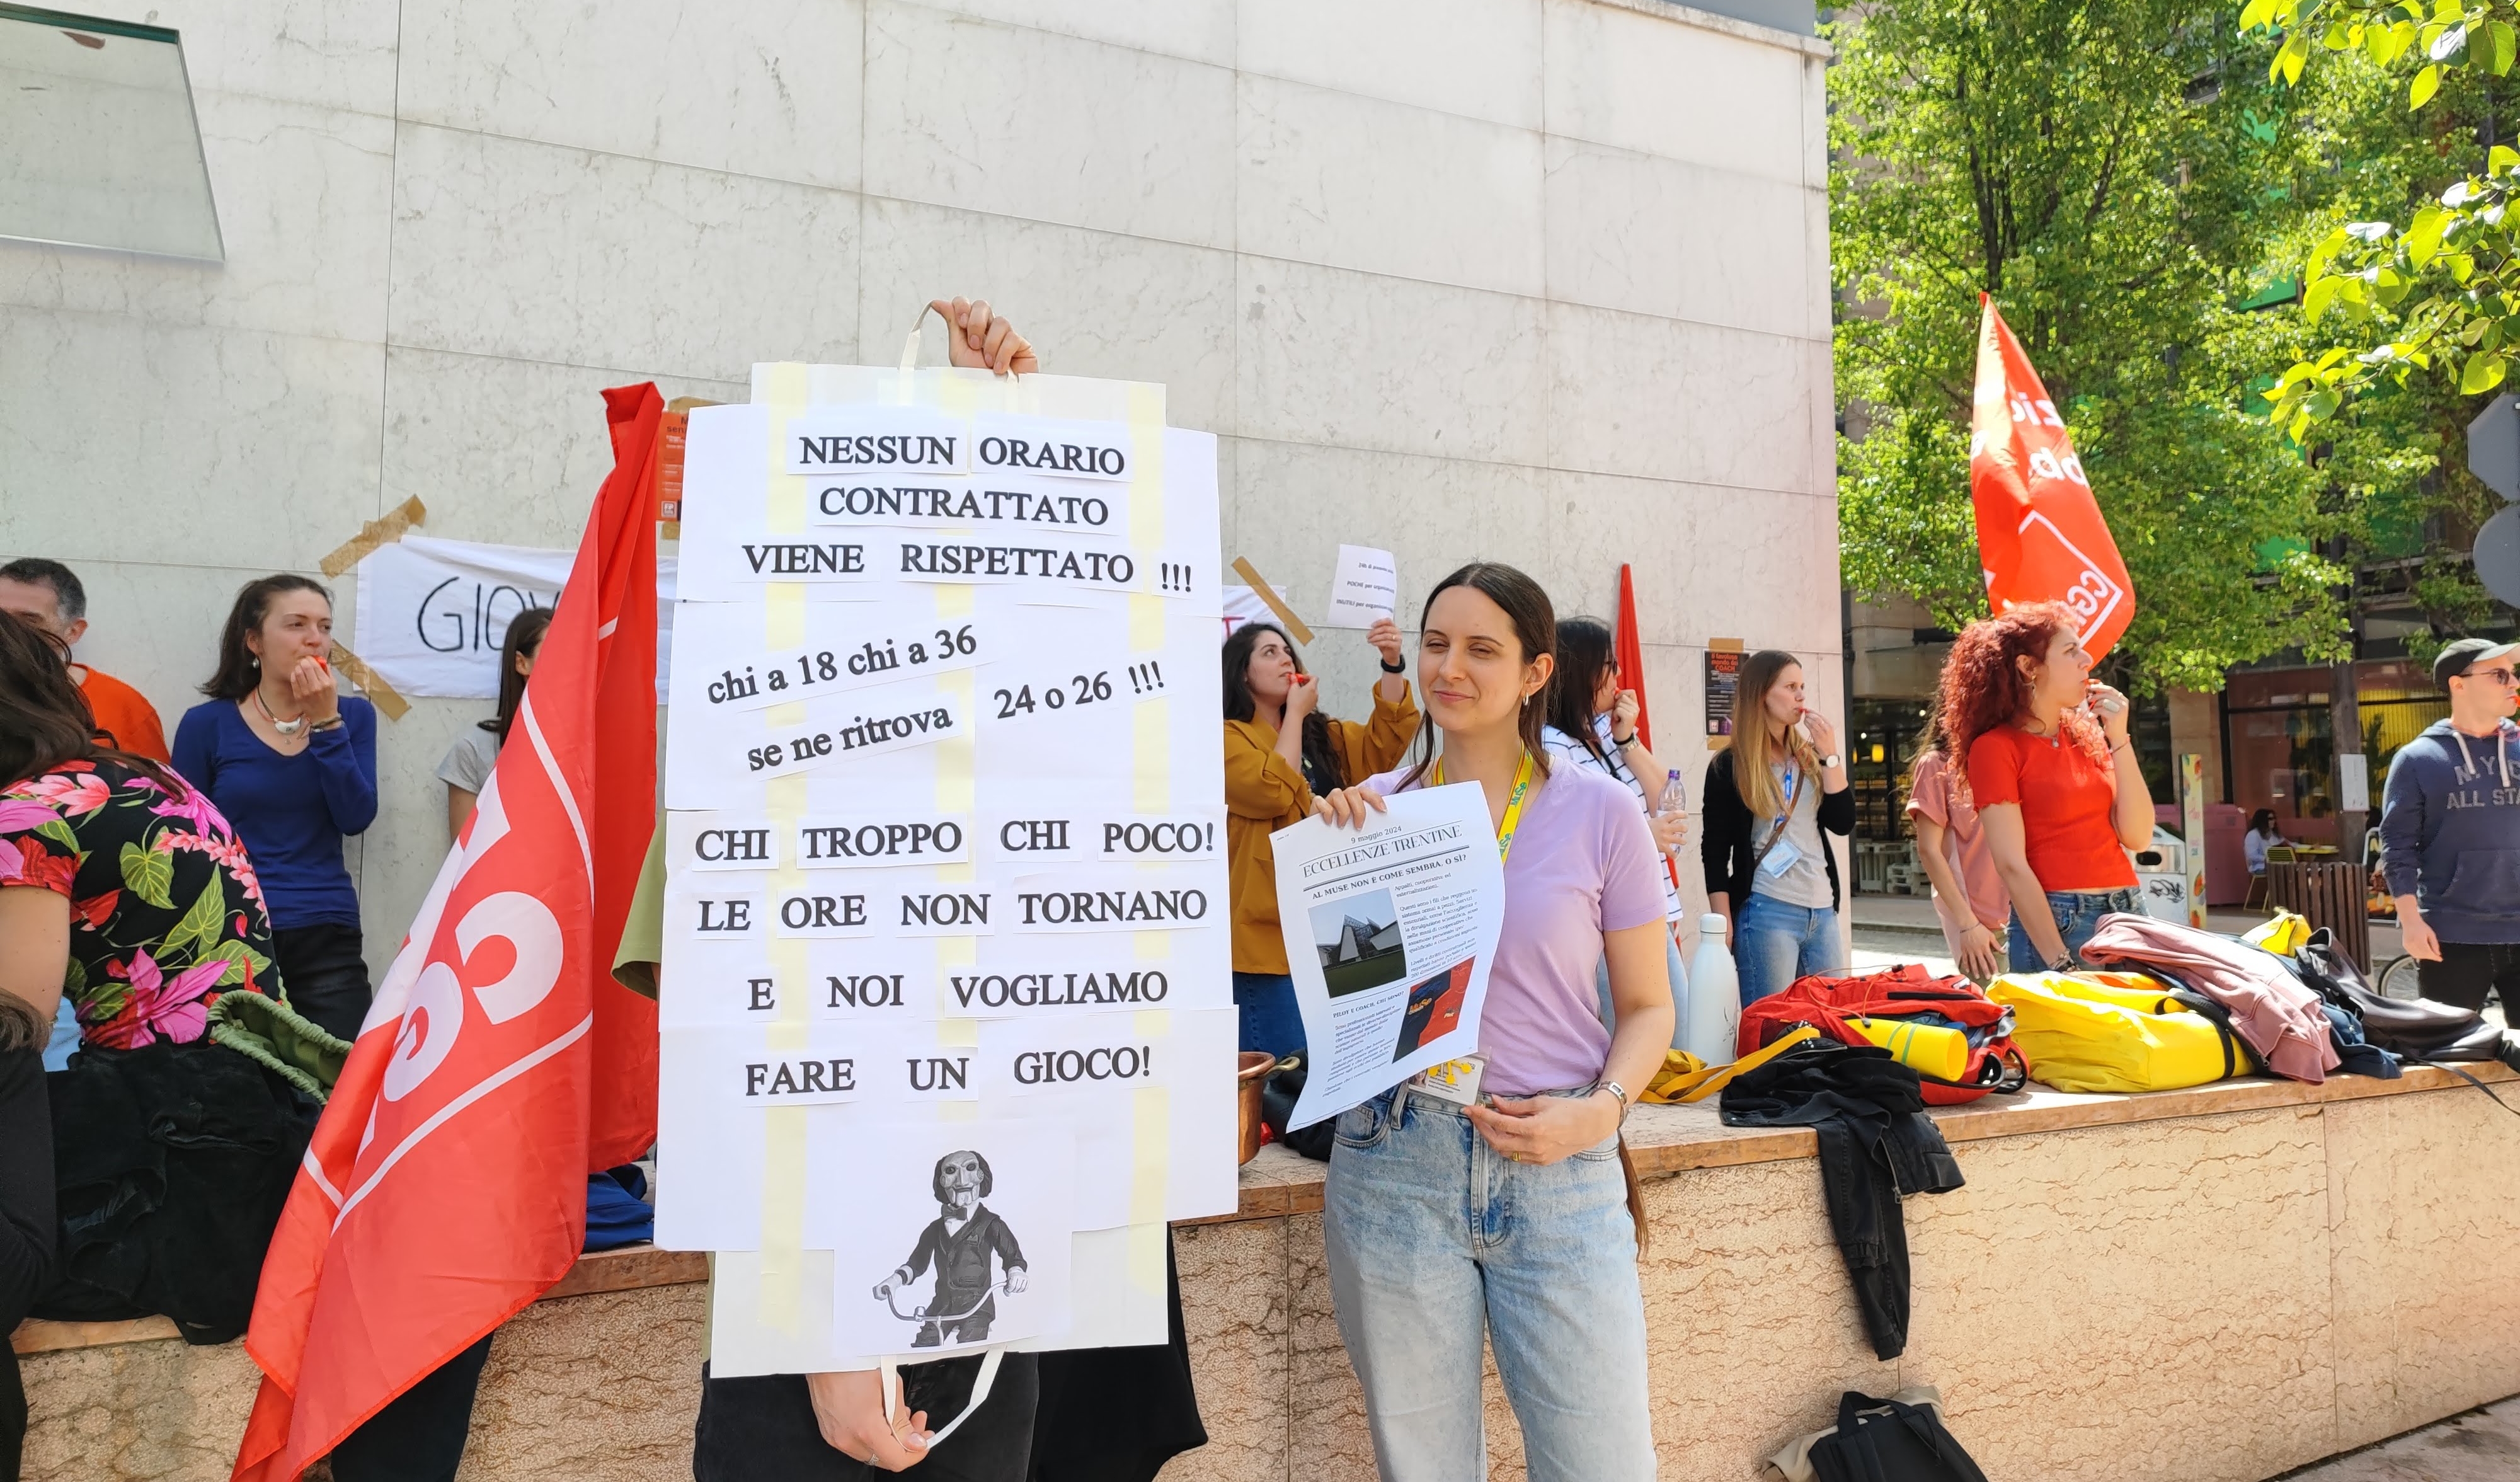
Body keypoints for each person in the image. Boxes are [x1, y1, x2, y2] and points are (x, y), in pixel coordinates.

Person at [1310, 562, 1672, 1481]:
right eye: (1436, 644)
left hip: (1561, 1159)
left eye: (1481, 649)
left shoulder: (1602, 812)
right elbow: (1361, 1006)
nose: (1450, 669)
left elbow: (1647, 1006)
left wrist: (1603, 1109)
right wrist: (1338, 867)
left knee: (1605, 1466)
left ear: (1536, 672)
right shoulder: (1377, 813)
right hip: (1399, 1159)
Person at [0, 611, 309, 1350]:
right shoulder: (150, 779)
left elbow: (15, 1024)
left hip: (165, 1139)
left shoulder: (23, 815)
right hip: (268, 1112)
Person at [172, 575, 379, 1043]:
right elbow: (183, 835)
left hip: (324, 924)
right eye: (296, 624)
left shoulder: (354, 717)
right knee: (244, 1085)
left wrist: (327, 721)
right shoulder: (208, 724)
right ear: (253, 641)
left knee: (341, 1075)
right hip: (230, 925)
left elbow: (356, 817)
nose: (315, 638)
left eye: (325, 626)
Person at [1223, 618, 1418, 1057]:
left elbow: (1382, 744)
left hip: (1332, 927)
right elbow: (1273, 790)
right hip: (1268, 942)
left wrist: (1392, 664)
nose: (1285, 658)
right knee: (1283, 1081)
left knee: (1338, 1068)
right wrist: (1294, 713)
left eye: (1287, 651)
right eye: (1269, 653)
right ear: (1242, 674)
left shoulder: (1321, 735)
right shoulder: (1227, 738)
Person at [1941, 602, 2154, 973]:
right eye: (2071, 651)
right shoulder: (1995, 748)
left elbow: (2138, 836)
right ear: (2028, 667)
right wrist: (2059, 961)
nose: (2087, 660)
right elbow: (2011, 865)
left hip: (2129, 910)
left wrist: (2119, 739)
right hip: (2063, 919)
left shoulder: (2087, 736)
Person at [1540, 616, 1691, 1035]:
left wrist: (1628, 742)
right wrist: (1645, 836)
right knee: (1654, 1046)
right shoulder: (1554, 746)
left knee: (1676, 1043)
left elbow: (1668, 792)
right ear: (1582, 672)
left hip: (1651, 906)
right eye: (1610, 666)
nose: (1618, 677)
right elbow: (1568, 836)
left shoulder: (1607, 731)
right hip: (1612, 923)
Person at [1701, 649, 1853, 1004]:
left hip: (1822, 908)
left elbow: (1843, 823)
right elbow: (1715, 850)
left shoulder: (1812, 757)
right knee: (1773, 1031)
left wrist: (1830, 756)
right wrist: (1723, 918)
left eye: (1802, 686)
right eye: (1790, 687)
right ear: (1762, 695)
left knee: (1833, 1023)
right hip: (1767, 909)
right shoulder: (1730, 765)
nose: (1801, 696)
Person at [2379, 636, 2520, 1011]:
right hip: (2451, 936)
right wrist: (2410, 922)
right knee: (2453, 1062)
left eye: (2514, 674)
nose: (2514, 683)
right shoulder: (2417, 759)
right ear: (2459, 684)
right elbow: (2397, 847)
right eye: (2500, 674)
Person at [0, 557, 169, 762]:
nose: (7, 631)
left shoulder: (123, 707)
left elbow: (152, 790)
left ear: (73, 632)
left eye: (28, 620)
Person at [1905, 700, 2009, 984]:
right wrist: (1967, 925)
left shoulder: (2008, 755)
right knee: (1997, 1020)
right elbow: (1928, 849)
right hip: (1981, 923)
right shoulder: (1937, 764)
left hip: (2029, 915)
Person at [439, 606, 553, 839]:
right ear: (522, 664)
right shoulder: (474, 751)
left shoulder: (591, 748)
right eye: (555, 652)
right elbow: (464, 860)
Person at [2243, 808, 2284, 876]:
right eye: (2270, 819)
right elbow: (2252, 855)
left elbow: (2287, 844)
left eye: (2274, 818)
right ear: (2262, 820)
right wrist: (2269, 859)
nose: (2274, 821)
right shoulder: (2253, 834)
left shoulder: (2274, 834)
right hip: (2260, 868)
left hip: (2276, 867)